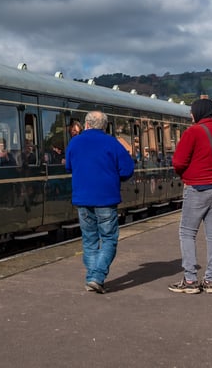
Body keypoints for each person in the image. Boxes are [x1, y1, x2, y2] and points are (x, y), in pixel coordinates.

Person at [169, 99, 212, 294]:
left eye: (192, 112)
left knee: (187, 232)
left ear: (197, 112)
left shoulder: (193, 132)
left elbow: (179, 161)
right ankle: (210, 281)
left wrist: (187, 173)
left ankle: (190, 280)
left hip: (197, 188)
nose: (191, 115)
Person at [65, 110, 134, 294]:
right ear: (104, 126)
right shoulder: (112, 143)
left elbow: (68, 166)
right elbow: (127, 169)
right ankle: (97, 277)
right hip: (106, 199)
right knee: (109, 238)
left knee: (89, 240)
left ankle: (92, 277)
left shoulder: (75, 142)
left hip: (82, 199)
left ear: (86, 124)